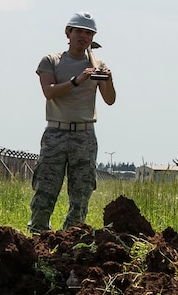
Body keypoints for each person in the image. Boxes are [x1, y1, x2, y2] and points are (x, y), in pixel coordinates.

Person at [29, 12, 114, 232]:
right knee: (46, 188)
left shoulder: (98, 64)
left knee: (81, 192)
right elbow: (49, 92)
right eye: (79, 31)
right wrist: (77, 80)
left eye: (88, 33)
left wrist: (108, 79)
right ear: (68, 33)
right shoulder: (51, 61)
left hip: (85, 135)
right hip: (56, 132)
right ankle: (39, 234)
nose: (83, 36)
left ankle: (72, 237)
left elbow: (110, 99)